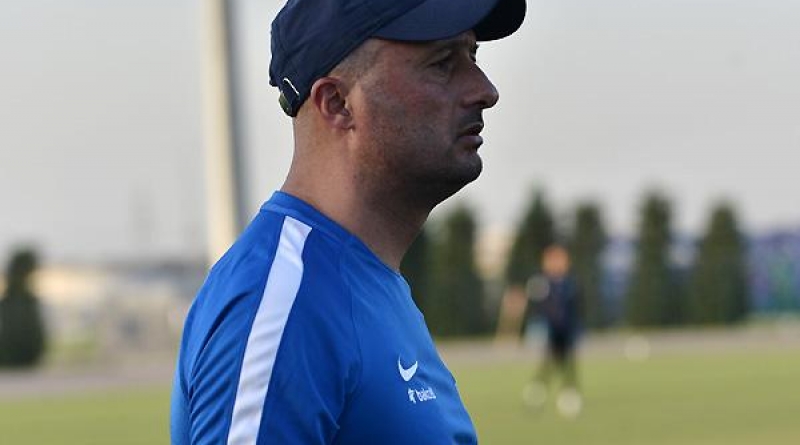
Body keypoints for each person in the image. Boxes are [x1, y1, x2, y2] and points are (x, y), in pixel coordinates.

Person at [170, 0, 526, 443]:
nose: (485, 90)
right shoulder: (287, 300)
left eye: (472, 56)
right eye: (442, 64)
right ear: (337, 103)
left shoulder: (362, 280)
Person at [522, 244, 583, 418]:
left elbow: (576, 309)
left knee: (568, 365)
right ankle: (537, 394)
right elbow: (537, 308)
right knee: (547, 365)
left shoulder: (571, 283)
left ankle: (569, 397)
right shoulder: (541, 283)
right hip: (549, 332)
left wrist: (576, 330)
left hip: (566, 332)